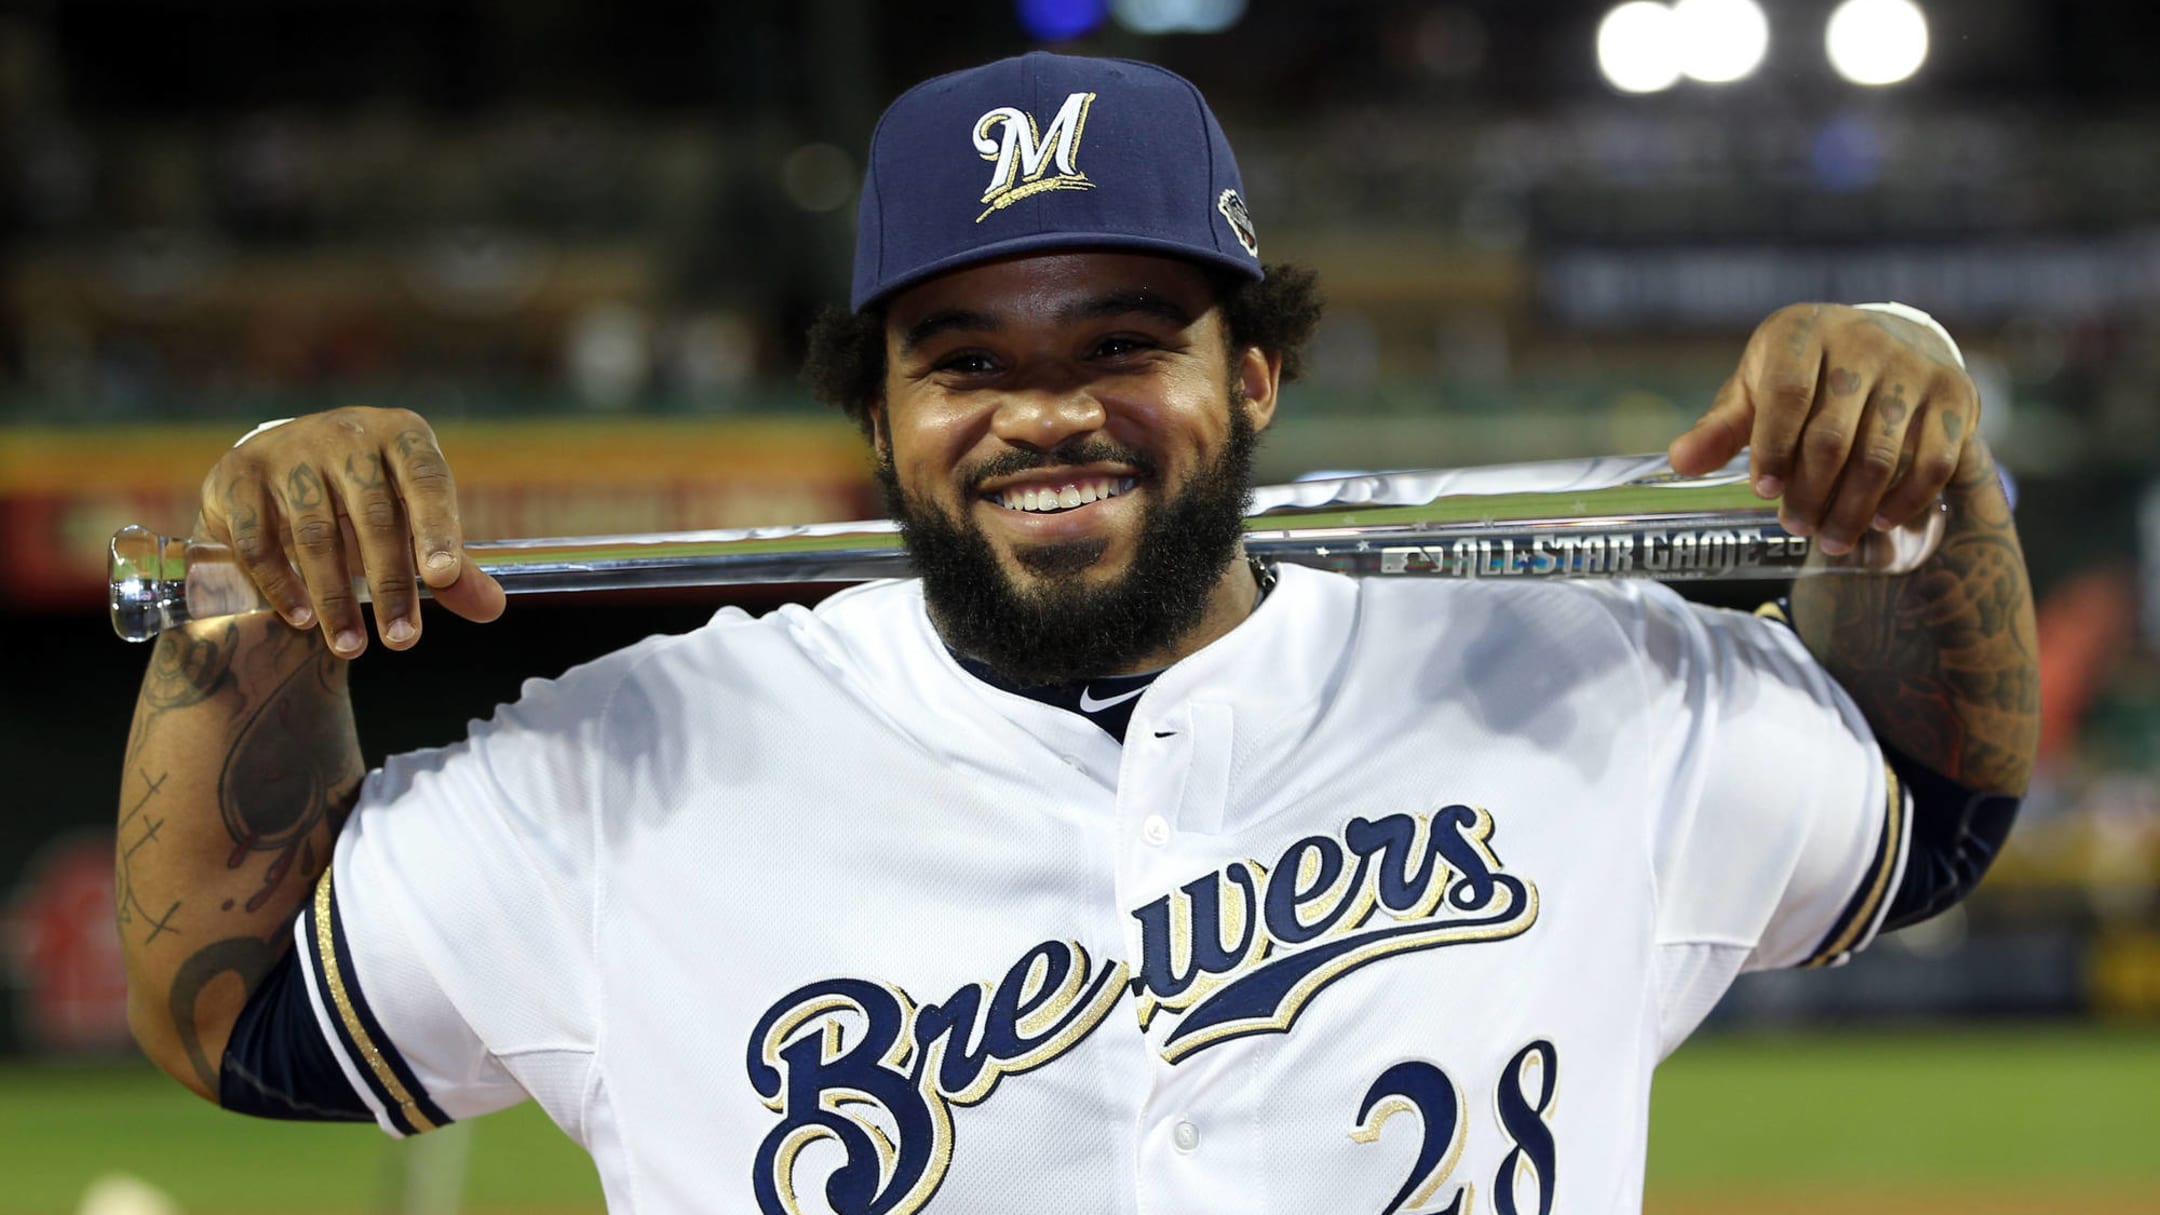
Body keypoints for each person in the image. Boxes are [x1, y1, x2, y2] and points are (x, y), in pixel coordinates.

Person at [118, 52, 2036, 1214]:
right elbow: (245, 1007)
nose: (1048, 411)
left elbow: (1927, 797)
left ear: (1258, 374)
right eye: (965, 360)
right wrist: (243, 600)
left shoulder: (1573, 684)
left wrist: (1920, 457)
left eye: (1126, 342)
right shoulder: (635, 763)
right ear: (876, 415)